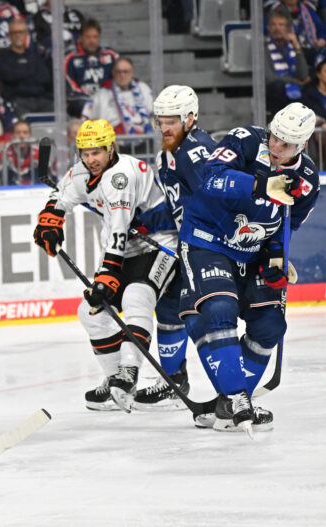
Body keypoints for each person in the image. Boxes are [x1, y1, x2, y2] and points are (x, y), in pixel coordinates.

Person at [177, 102, 320, 432]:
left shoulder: (308, 181)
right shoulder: (244, 139)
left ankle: (226, 405)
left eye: (285, 144)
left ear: (303, 145)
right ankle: (239, 398)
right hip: (206, 239)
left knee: (271, 326)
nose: (275, 146)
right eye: (274, 136)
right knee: (219, 307)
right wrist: (262, 184)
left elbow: (287, 225)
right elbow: (209, 179)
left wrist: (275, 258)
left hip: (251, 251)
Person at [32, 119, 175, 411]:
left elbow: (119, 230)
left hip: (159, 243)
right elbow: (61, 196)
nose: (90, 159)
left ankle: (129, 372)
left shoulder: (120, 175)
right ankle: (114, 383)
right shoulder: (83, 170)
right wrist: (50, 221)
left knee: (137, 296)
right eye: (85, 152)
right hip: (123, 247)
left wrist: (108, 275)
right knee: (91, 311)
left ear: (112, 148)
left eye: (96, 152)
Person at [130, 85, 217, 411]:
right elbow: (179, 206)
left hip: (208, 248)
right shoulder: (168, 153)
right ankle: (174, 379)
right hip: (186, 245)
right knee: (168, 306)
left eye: (172, 121)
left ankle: (233, 388)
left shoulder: (196, 152)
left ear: (191, 119)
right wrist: (145, 221)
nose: (164, 128)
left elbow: (219, 200)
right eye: (160, 121)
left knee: (204, 317)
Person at [0, 17, 53, 116]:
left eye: (21, 32)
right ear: (9, 36)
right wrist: (31, 73)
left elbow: (44, 77)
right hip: (17, 99)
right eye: (14, 32)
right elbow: (8, 76)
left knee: (58, 112)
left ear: (26, 34)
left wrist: (19, 74)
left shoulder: (35, 56)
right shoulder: (2, 57)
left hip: (40, 98)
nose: (18, 35)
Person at [81, 57, 154, 137]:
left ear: (132, 72)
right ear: (113, 73)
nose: (122, 75)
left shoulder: (143, 89)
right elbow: (86, 119)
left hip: (145, 140)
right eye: (118, 72)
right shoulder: (101, 94)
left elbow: (154, 115)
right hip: (112, 143)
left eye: (125, 72)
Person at [63, 18, 118, 118]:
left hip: (106, 98)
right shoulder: (70, 57)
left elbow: (118, 80)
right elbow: (69, 86)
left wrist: (103, 96)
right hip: (80, 100)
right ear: (81, 38)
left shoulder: (111, 55)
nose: (92, 41)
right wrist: (93, 97)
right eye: (88, 37)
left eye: (95, 37)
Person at [265, 5, 310, 115]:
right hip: (274, 93)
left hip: (294, 90)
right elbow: (270, 78)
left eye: (281, 25)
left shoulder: (292, 47)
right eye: (273, 25)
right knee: (278, 86)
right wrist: (294, 81)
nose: (277, 28)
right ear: (269, 28)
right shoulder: (263, 47)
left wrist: (297, 47)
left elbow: (303, 75)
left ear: (288, 28)